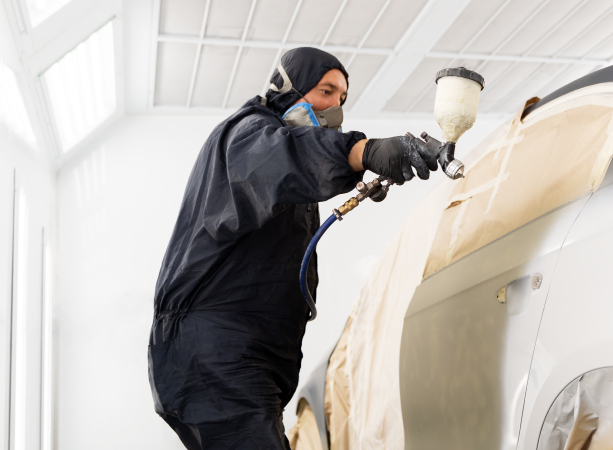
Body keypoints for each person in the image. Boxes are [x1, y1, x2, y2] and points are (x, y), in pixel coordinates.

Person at [147, 47, 436, 450]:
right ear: (286, 88)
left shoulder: (282, 162)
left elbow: (299, 168)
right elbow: (285, 157)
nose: (335, 106)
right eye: (326, 90)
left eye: (342, 99)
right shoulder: (247, 134)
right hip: (216, 351)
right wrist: (364, 151)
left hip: (245, 353)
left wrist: (358, 172)